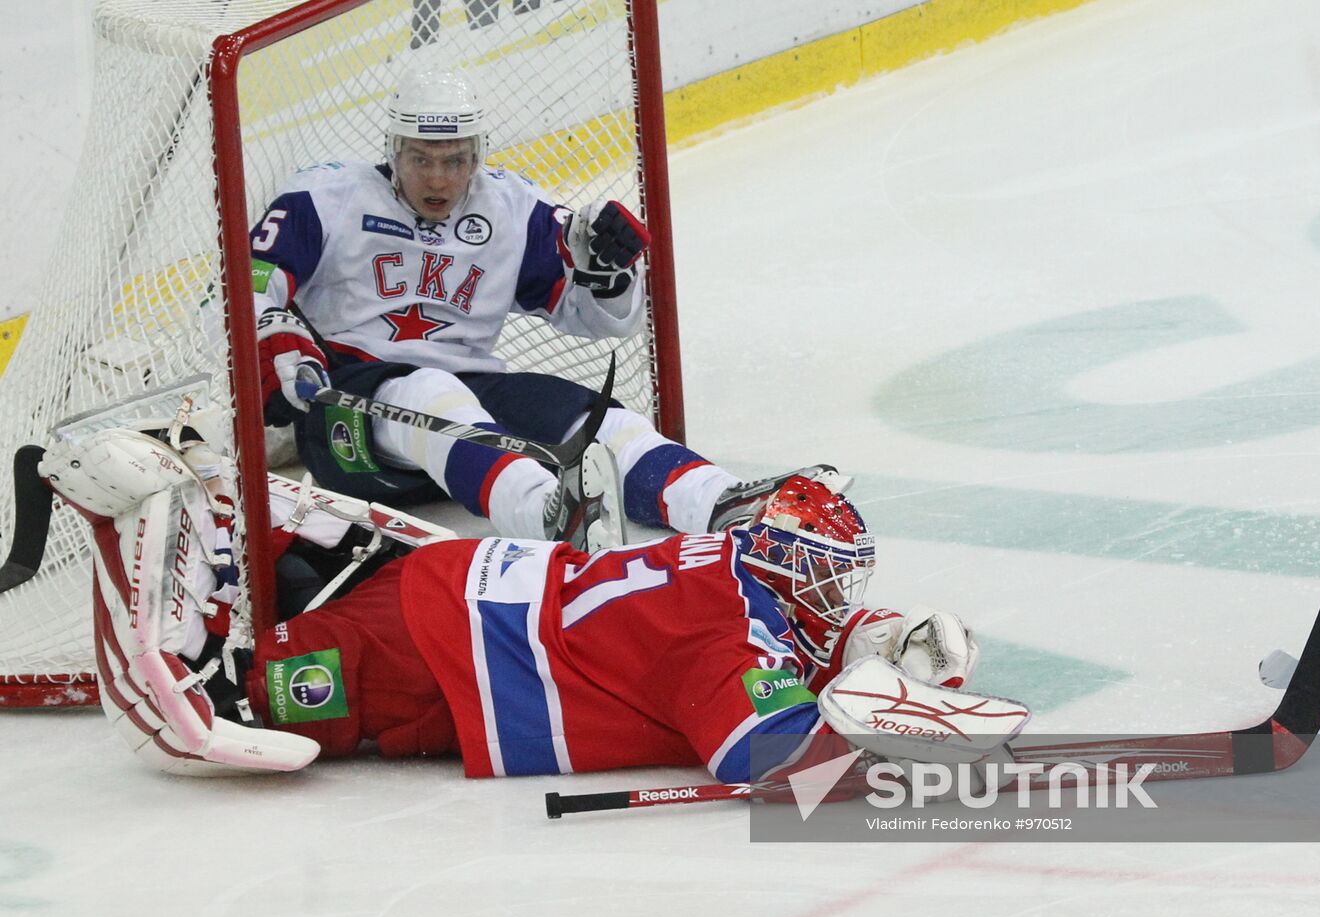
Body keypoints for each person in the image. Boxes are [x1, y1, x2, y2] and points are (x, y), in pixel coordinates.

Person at [41, 422, 1005, 784]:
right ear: (787, 564)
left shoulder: (729, 562)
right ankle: (119, 512)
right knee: (235, 705)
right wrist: (875, 703)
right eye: (835, 580)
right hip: (433, 668)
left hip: (451, 576)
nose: (844, 598)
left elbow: (776, 646)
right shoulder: (725, 646)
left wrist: (869, 646)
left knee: (271, 529)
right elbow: (759, 751)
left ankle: (208, 490)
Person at [253, 65, 828, 548]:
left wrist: (605, 276)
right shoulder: (326, 197)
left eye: (454, 161)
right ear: (393, 149)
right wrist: (275, 335)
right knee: (430, 389)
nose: (438, 178)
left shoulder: (509, 209)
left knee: (590, 417)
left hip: (472, 399)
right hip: (352, 411)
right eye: (421, 159)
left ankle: (726, 506)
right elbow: (242, 287)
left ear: (477, 153)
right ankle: (546, 514)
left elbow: (596, 318)